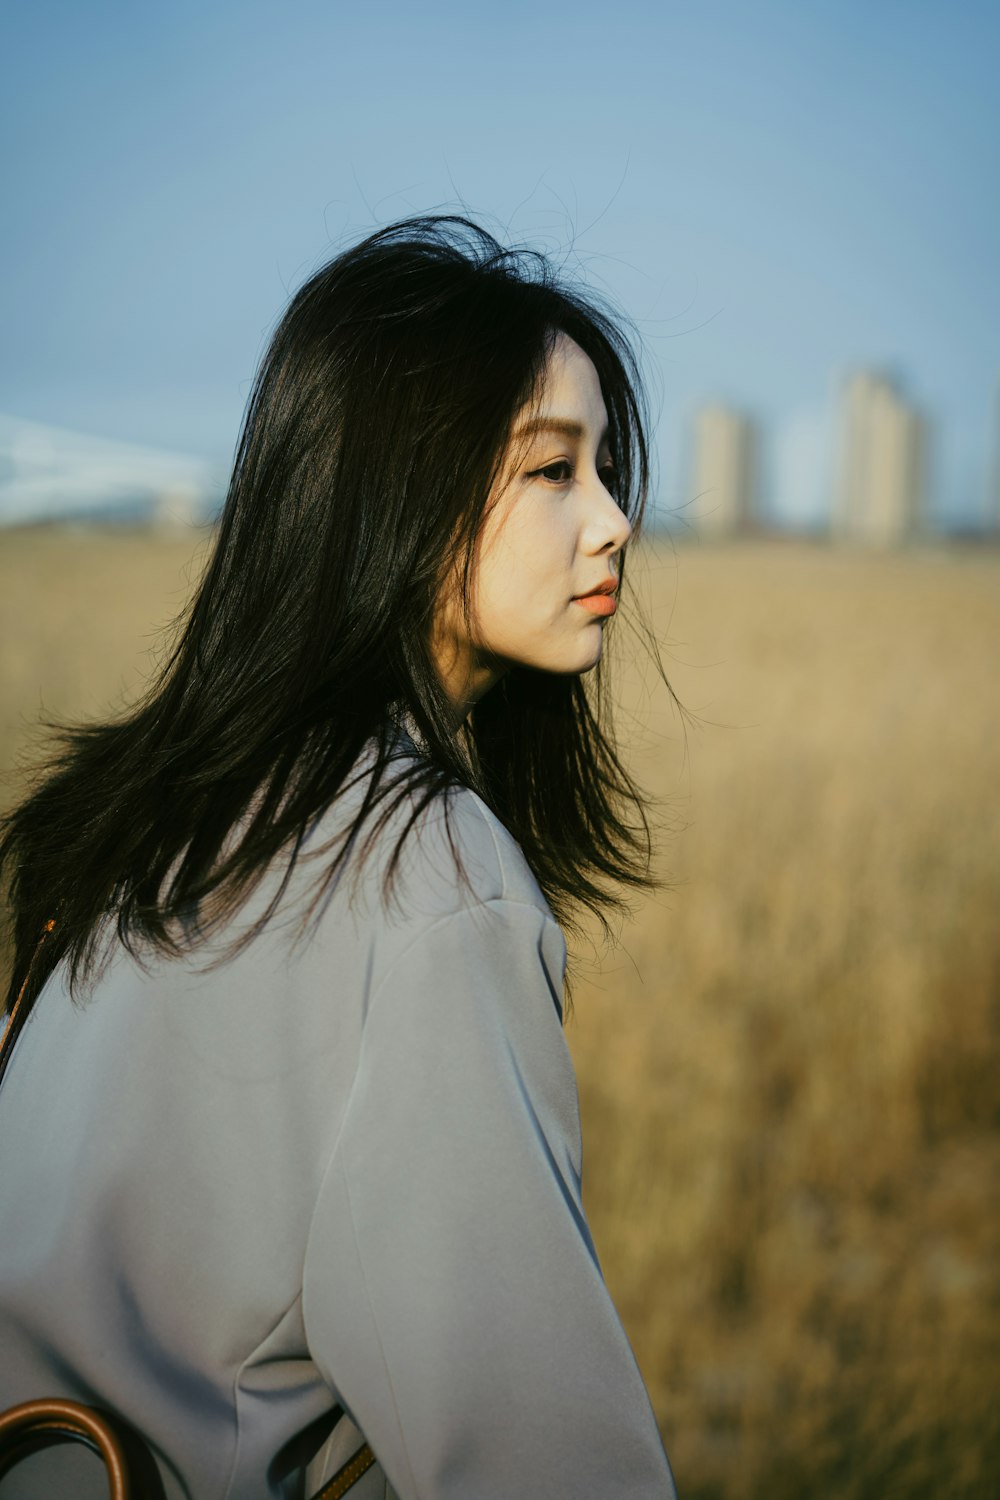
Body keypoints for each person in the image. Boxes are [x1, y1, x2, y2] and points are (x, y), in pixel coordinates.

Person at [0, 214, 679, 1498]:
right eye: (552, 470)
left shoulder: (148, 809)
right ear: (398, 492)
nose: (614, 521)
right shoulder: (427, 875)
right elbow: (535, 1456)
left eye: (606, 467)